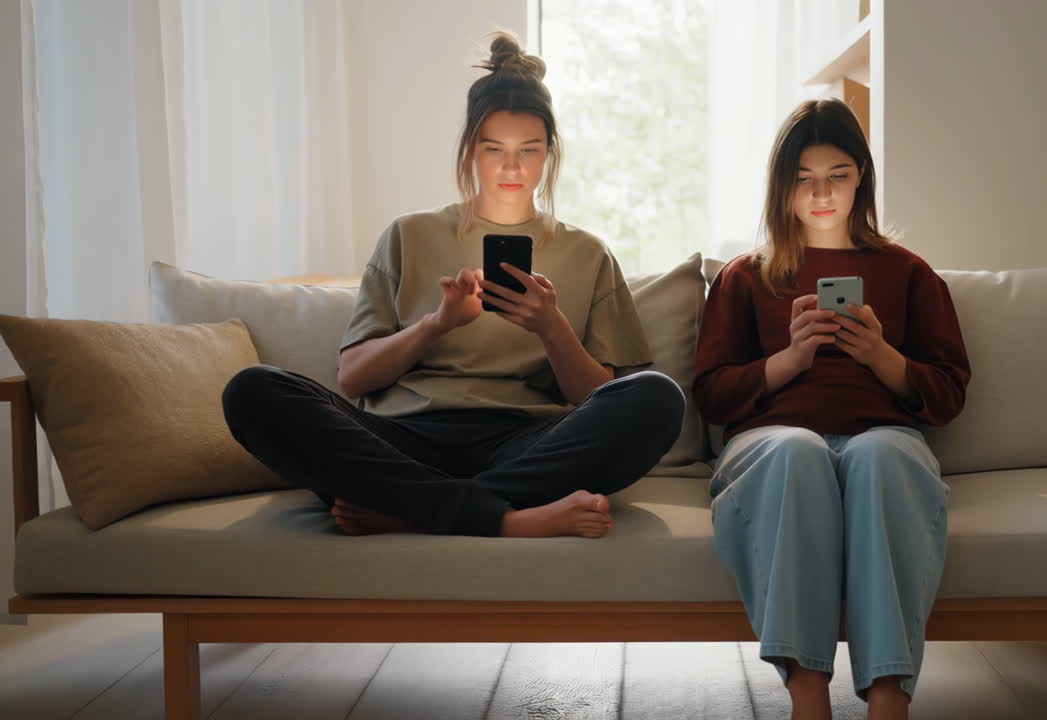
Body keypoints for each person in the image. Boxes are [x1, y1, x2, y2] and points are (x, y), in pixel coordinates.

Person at [222, 32, 684, 539]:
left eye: (529, 150)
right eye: (494, 149)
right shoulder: (408, 235)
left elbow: (598, 396)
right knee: (253, 391)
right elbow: (352, 378)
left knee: (656, 398)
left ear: (549, 154)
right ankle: (505, 518)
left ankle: (409, 509)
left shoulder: (588, 253)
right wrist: (437, 324)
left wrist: (550, 326)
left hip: (526, 441)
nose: (512, 166)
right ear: (469, 152)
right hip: (404, 438)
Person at [693, 99, 970, 720]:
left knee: (881, 455)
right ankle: (808, 698)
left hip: (882, 435)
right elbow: (711, 394)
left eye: (837, 176)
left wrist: (881, 356)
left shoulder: (909, 274)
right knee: (796, 449)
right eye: (804, 179)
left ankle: (889, 701)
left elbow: (949, 393)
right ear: (782, 185)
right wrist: (789, 361)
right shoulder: (745, 277)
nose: (821, 194)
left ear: (861, 177)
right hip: (773, 441)